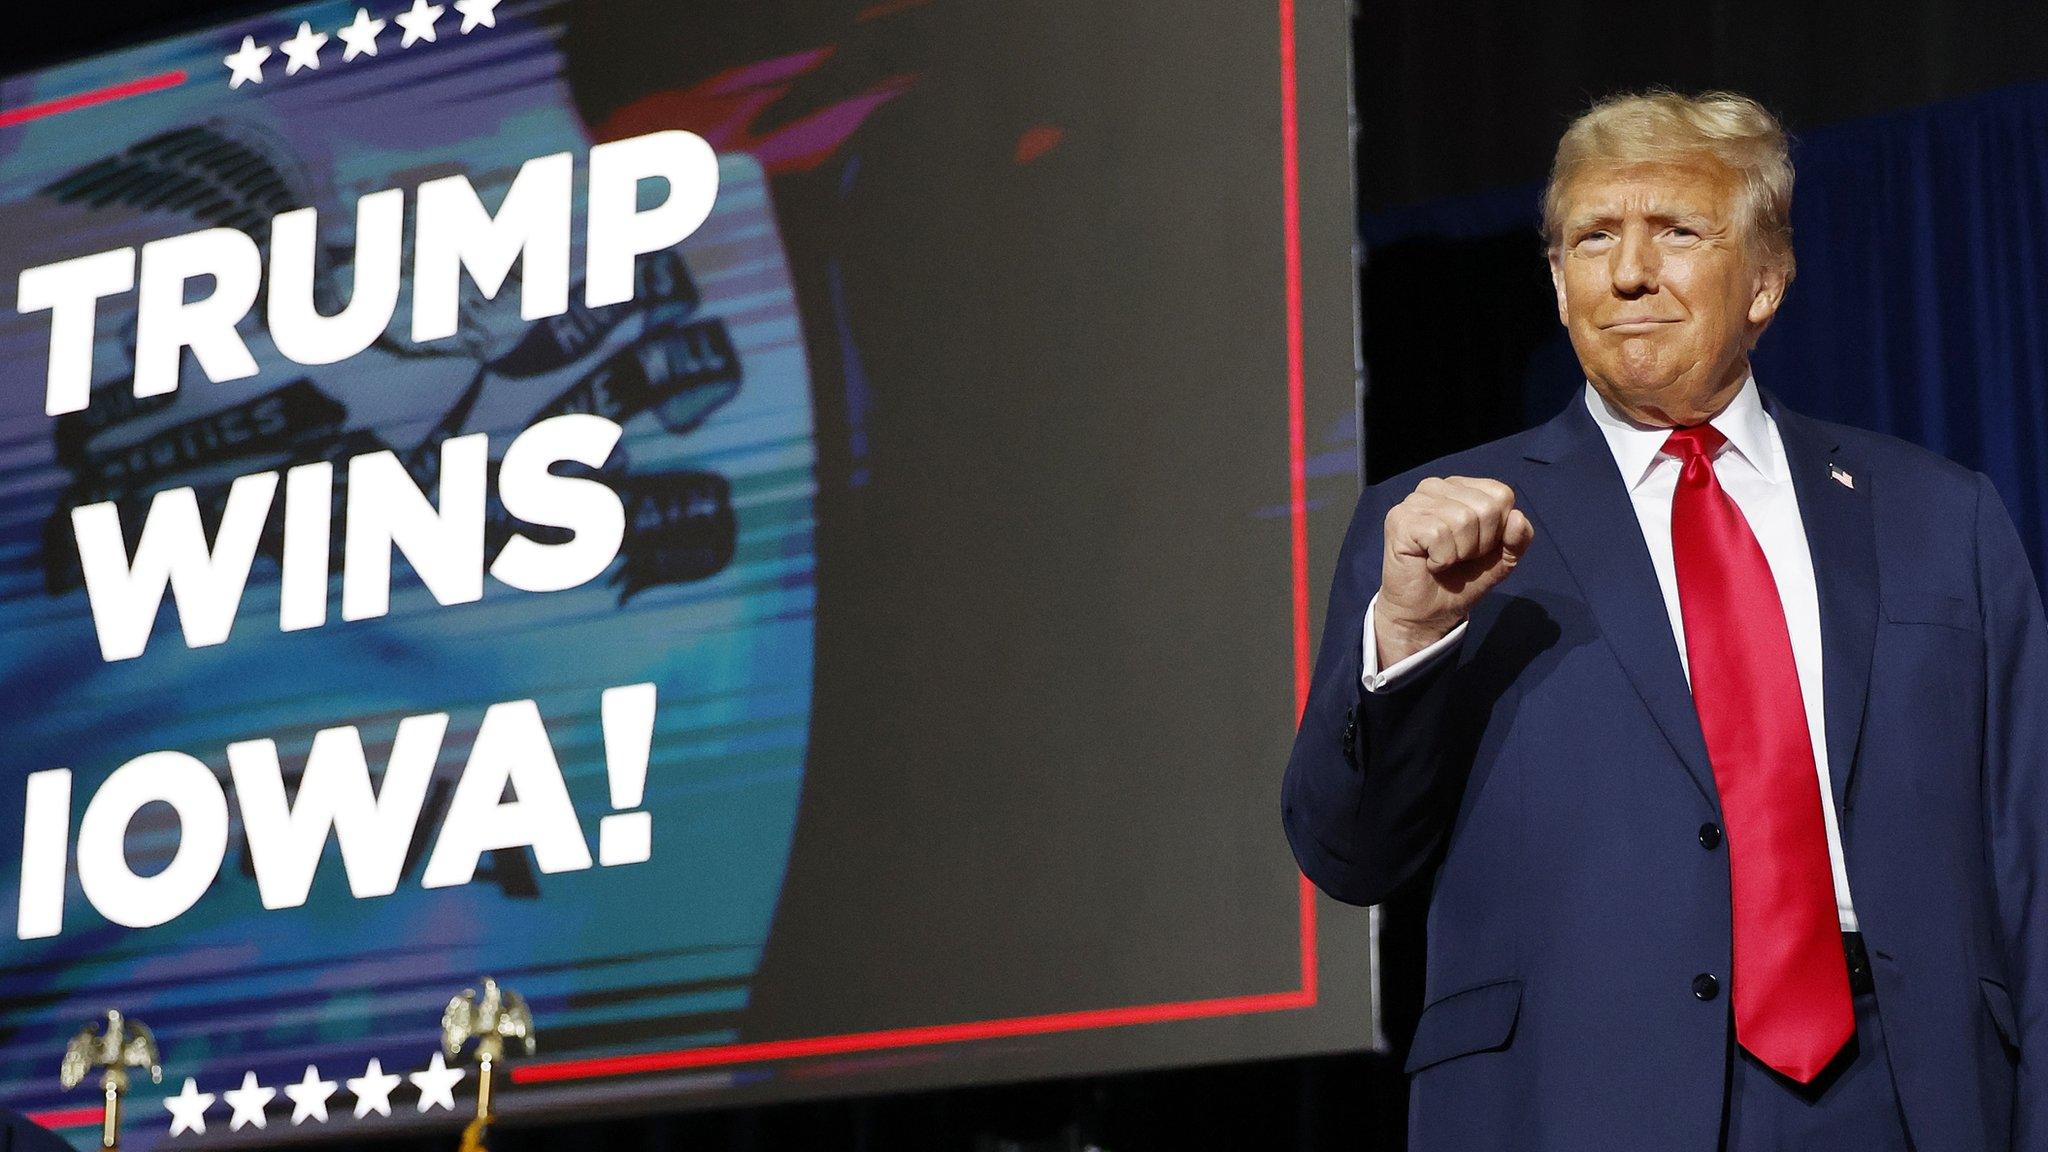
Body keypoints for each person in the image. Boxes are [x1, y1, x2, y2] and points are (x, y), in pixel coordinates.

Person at [1283, 89, 2048, 1151]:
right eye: (1592, 237)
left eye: (1674, 232)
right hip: (1573, 1093)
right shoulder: (1433, 527)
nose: (1628, 271)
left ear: (1765, 282)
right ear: (1556, 284)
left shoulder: (1938, 514)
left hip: (1907, 1093)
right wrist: (1407, 638)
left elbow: (2028, 853)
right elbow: (1344, 855)